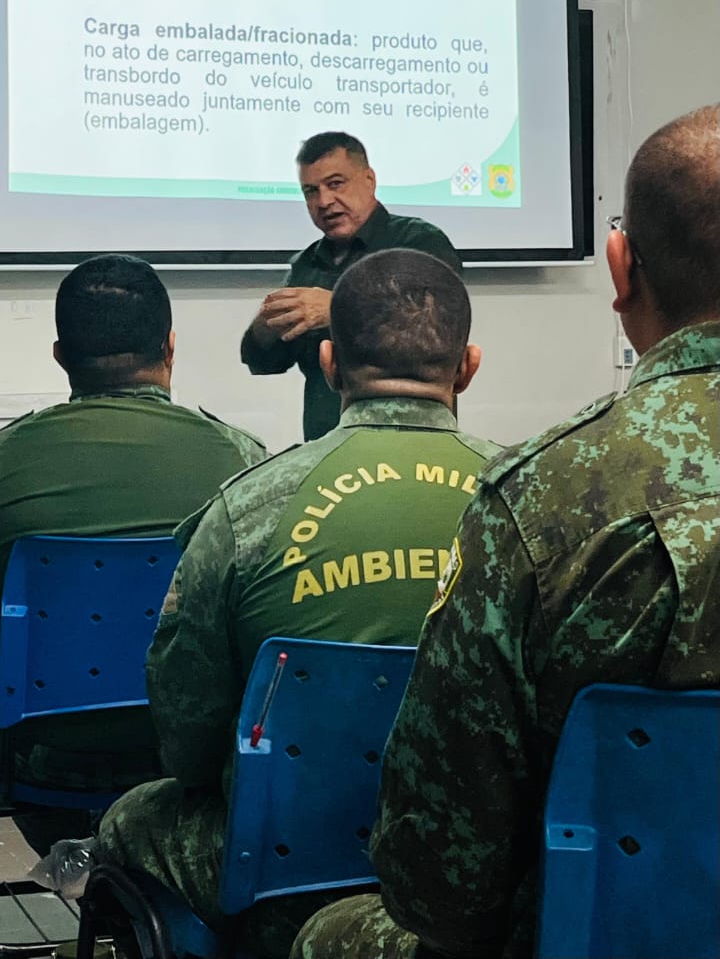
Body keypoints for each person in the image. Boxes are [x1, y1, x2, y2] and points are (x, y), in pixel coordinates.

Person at [291, 101, 720, 959]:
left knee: (326, 935)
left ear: (620, 265)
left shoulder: (540, 497)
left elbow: (445, 876)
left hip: (597, 928)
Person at [97, 248, 501, 957]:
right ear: (467, 366)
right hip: (475, 885)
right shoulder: (525, 500)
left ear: (329, 364)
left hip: (284, 876)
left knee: (133, 816)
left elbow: (188, 739)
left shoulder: (246, 510)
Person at [0, 254, 266, 851]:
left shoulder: (6, 460)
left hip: (40, 761)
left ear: (61, 356)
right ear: (170, 348)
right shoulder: (245, 464)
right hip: (185, 765)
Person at [241, 132, 462, 440]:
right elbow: (265, 363)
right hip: (328, 447)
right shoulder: (307, 264)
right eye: (310, 191)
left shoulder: (419, 241)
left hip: (412, 438)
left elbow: (434, 324)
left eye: (335, 184)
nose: (324, 201)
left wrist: (335, 309)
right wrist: (264, 328)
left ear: (369, 180)